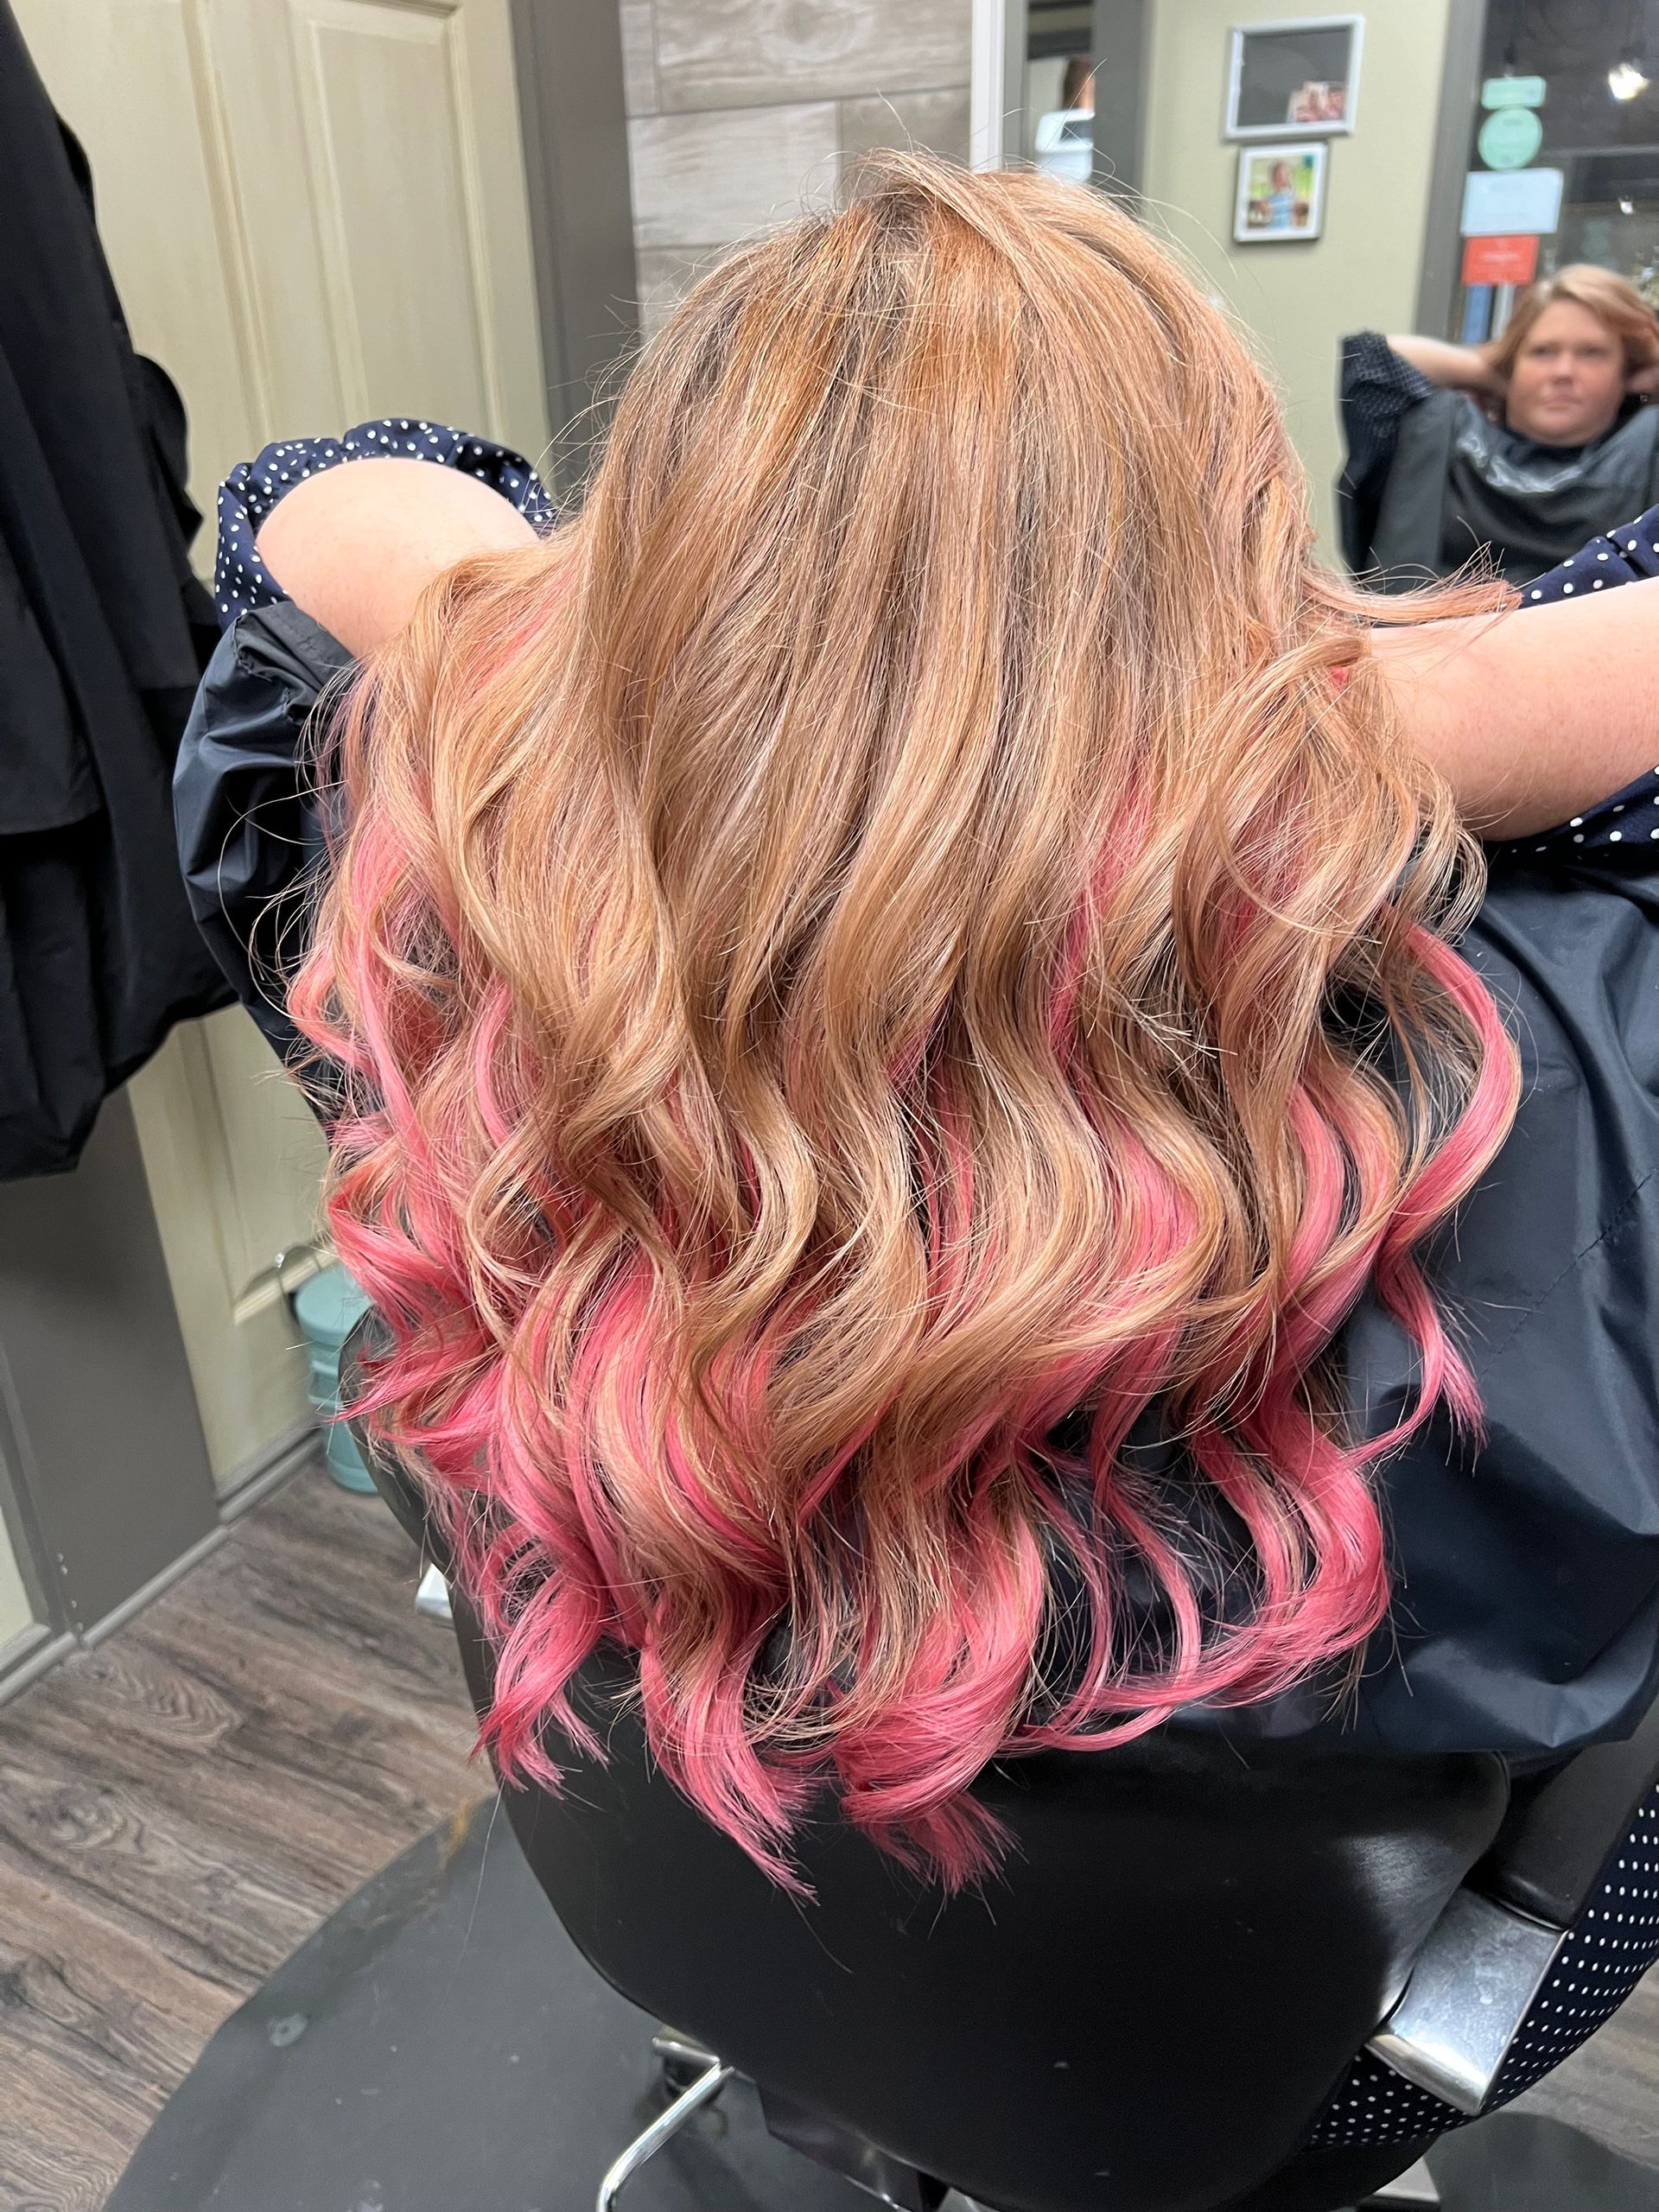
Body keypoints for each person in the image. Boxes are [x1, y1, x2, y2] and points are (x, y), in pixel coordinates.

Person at [178, 158, 1659, 1993]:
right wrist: (1335, 718)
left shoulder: (471, 970)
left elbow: (304, 508)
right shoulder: (1558, 1064)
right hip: (1229, 2054)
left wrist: (709, 664)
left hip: (699, 1926)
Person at [1339, 263, 1659, 585]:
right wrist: (1490, 373)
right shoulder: (1441, 428)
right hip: (1433, 631)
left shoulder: (1649, 444)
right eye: (1542, 352)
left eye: (1592, 353)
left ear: (1629, 371)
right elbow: (1372, 362)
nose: (1563, 371)